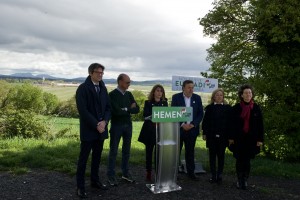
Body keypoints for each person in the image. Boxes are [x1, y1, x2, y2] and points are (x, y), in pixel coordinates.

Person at [75, 63, 111, 198]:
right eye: (98, 72)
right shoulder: (83, 88)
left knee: (97, 158)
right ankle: (80, 187)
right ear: (90, 73)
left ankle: (95, 181)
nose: (100, 75)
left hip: (101, 130)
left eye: (102, 73)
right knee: (83, 159)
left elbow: (108, 108)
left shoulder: (103, 88)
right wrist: (96, 124)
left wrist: (105, 122)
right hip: (89, 130)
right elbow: (83, 111)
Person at [107, 73, 140, 186]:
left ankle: (125, 173)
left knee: (126, 151)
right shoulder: (112, 95)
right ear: (120, 82)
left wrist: (124, 110)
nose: (129, 84)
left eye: (130, 82)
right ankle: (110, 176)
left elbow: (137, 109)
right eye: (127, 82)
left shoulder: (129, 94)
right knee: (113, 151)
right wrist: (128, 109)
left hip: (128, 126)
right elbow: (116, 112)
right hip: (116, 126)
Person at [229, 84, 264, 190]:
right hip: (239, 139)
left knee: (247, 160)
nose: (248, 94)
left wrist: (260, 139)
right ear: (241, 95)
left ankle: (245, 180)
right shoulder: (236, 108)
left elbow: (260, 125)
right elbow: (231, 124)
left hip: (251, 139)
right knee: (239, 160)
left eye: (250, 93)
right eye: (246, 93)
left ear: (252, 95)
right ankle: (239, 180)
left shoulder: (256, 108)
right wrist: (231, 138)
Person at [171, 80, 204, 181]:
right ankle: (174, 174)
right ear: (183, 88)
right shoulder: (176, 97)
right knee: (176, 152)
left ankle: (191, 173)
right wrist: (182, 124)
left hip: (192, 130)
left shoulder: (197, 98)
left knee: (190, 152)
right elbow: (173, 112)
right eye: (189, 87)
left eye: (192, 87)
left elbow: (200, 114)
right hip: (179, 130)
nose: (191, 89)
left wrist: (193, 124)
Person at [138, 84, 168, 182]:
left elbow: (167, 116)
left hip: (161, 132)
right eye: (158, 90)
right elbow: (145, 116)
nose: (159, 93)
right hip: (149, 132)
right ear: (154, 92)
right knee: (149, 153)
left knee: (159, 154)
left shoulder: (165, 103)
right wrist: (154, 116)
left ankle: (158, 172)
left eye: (161, 91)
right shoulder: (148, 102)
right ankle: (149, 172)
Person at [202, 88, 231, 184]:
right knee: (212, 157)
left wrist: (230, 137)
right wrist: (204, 133)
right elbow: (205, 122)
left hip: (223, 137)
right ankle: (213, 176)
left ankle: (219, 175)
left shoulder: (228, 108)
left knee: (221, 156)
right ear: (214, 97)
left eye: (221, 95)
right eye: (217, 95)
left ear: (223, 97)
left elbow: (231, 124)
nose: (219, 97)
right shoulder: (209, 108)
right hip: (211, 137)